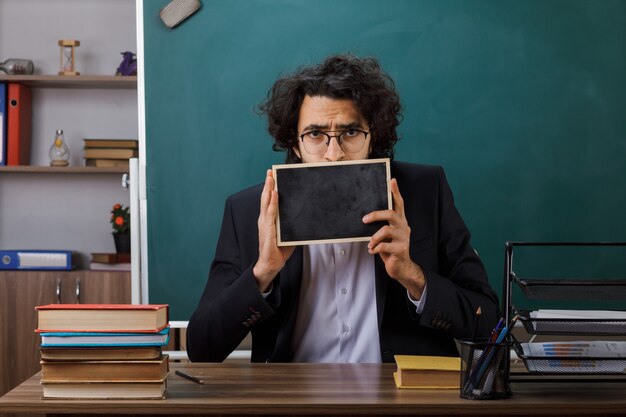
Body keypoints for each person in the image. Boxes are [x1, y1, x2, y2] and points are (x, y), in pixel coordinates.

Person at [187, 53, 499, 363]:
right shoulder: (247, 211)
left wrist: (413, 277)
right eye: (315, 134)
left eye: (350, 133)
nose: (334, 154)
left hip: (402, 400)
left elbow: (486, 323)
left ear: (372, 136)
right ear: (295, 144)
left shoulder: (424, 192)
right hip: (290, 400)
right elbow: (202, 348)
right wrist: (262, 273)